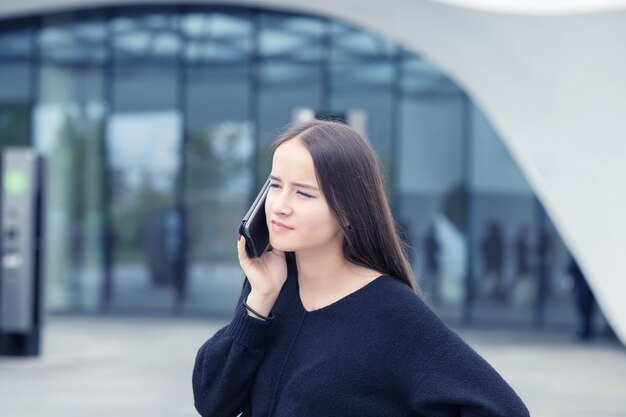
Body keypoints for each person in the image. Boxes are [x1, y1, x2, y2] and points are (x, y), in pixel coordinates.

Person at [192, 120, 529, 417]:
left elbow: (502, 409)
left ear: (348, 209)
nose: (279, 207)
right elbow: (212, 402)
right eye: (276, 186)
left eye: (304, 194)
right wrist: (258, 304)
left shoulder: (390, 311)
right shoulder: (268, 291)